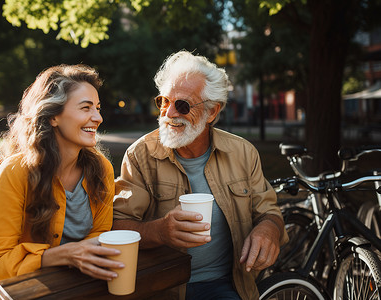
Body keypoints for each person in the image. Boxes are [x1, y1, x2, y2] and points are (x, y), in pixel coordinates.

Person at [113, 51, 288, 300]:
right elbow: (117, 226)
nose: (168, 113)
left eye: (182, 105)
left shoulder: (243, 153)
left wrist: (269, 229)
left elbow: (269, 212)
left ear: (212, 112)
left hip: (223, 284)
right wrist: (160, 231)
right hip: (160, 287)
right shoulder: (140, 155)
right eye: (163, 101)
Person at [0, 64, 121, 299]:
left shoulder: (101, 168)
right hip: (3, 292)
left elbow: (100, 233)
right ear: (53, 115)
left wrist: (82, 256)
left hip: (70, 288)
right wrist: (62, 255)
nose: (98, 117)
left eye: (98, 108)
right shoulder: (15, 172)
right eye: (86, 107)